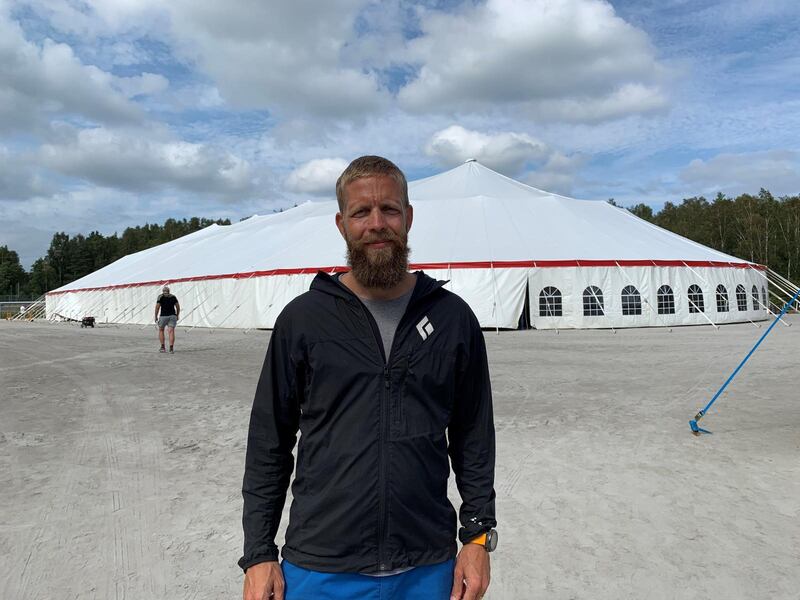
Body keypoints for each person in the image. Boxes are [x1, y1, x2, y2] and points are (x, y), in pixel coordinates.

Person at [239, 156, 497, 600]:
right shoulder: (303, 320)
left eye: (390, 210)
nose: (377, 224)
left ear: (409, 217)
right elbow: (270, 441)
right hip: (319, 566)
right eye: (361, 212)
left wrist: (476, 538)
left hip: (427, 566)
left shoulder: (452, 318)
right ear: (342, 224)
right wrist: (259, 553)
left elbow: (474, 436)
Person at [154, 285, 180, 353]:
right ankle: (171, 348)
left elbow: (157, 307)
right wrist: (177, 315)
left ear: (163, 291)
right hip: (172, 316)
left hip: (163, 316)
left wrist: (155, 316)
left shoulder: (160, 297)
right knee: (171, 331)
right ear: (169, 291)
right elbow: (177, 306)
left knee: (161, 330)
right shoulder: (173, 297)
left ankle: (163, 347)